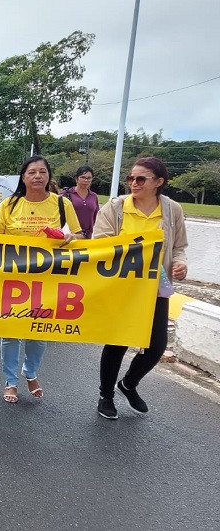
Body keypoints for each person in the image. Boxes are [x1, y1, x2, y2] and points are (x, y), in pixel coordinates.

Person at [93, 157, 188, 419]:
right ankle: (106, 396)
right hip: (123, 285)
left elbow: (179, 247)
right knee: (118, 342)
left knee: (156, 346)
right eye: (130, 179)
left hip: (158, 285)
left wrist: (179, 264)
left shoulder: (172, 210)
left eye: (141, 179)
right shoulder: (115, 209)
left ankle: (129, 384)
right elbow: (99, 244)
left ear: (159, 182)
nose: (133, 183)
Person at [0, 156, 82, 403]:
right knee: (10, 332)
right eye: (32, 172)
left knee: (39, 331)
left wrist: (72, 239)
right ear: (23, 177)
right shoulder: (8, 205)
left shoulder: (62, 205)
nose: (37, 176)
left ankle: (30, 373)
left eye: (43, 172)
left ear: (49, 176)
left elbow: (79, 235)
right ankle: (10, 381)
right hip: (14, 278)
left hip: (48, 279)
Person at [61, 166, 99, 238]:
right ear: (76, 179)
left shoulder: (94, 196)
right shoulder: (66, 194)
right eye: (83, 177)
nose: (86, 180)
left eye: (89, 178)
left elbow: (96, 217)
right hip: (69, 235)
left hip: (87, 236)